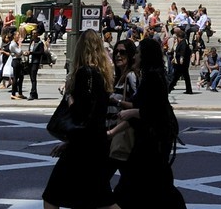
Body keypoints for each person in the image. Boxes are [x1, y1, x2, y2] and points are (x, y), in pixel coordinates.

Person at [41, 30, 120, 209]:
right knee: (100, 199)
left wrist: (69, 96)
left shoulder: (85, 73)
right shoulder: (102, 75)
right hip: (95, 144)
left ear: (80, 49)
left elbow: (80, 113)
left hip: (83, 148)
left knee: (52, 196)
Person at [112, 36, 187, 207]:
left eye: (138, 53)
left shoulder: (152, 77)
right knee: (156, 186)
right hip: (152, 141)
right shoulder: (153, 75)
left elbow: (154, 111)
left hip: (151, 142)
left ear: (145, 55)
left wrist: (131, 112)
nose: (135, 56)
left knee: (133, 186)